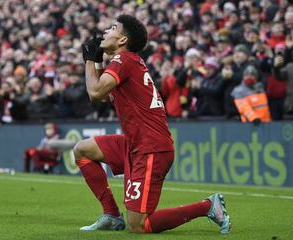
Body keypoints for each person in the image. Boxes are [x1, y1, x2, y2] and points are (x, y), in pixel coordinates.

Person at [74, 14, 230, 234]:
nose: (106, 31)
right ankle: (111, 214)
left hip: (150, 149)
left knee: (139, 226)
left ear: (122, 41)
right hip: (135, 144)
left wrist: (90, 60)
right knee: (82, 150)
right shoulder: (127, 63)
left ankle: (207, 206)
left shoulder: (124, 59)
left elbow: (94, 92)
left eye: (113, 28)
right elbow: (104, 95)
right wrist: (98, 61)